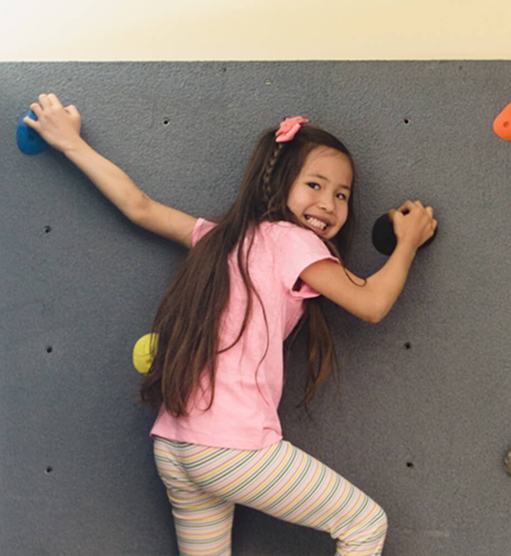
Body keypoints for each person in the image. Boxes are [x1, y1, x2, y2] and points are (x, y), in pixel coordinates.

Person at [27, 93, 436, 555]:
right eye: (315, 186)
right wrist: (408, 241)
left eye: (341, 195)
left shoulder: (220, 236)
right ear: (278, 184)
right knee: (364, 524)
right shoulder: (295, 244)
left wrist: (70, 144)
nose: (329, 205)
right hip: (232, 448)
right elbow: (372, 303)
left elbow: (139, 206)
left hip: (177, 445)